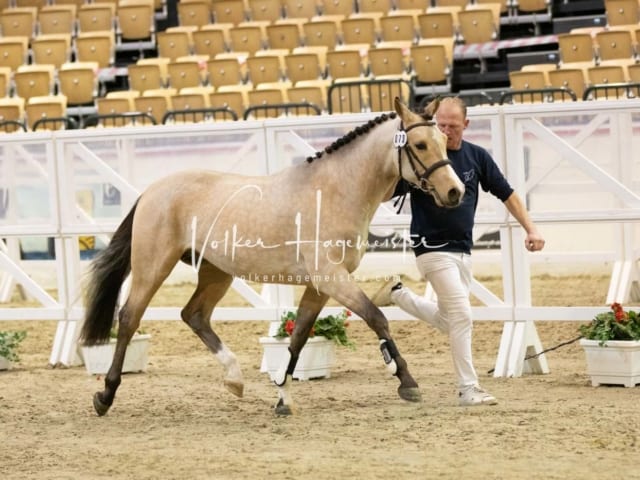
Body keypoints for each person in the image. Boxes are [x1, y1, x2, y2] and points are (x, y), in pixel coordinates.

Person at [386, 97, 545, 406]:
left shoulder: (475, 156)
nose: (446, 132)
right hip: (430, 248)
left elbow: (506, 193)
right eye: (441, 125)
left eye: (453, 126)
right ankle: (468, 389)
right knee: (462, 314)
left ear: (466, 125)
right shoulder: (423, 155)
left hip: (462, 250)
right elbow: (388, 189)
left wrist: (531, 228)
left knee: (451, 320)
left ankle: (398, 295)